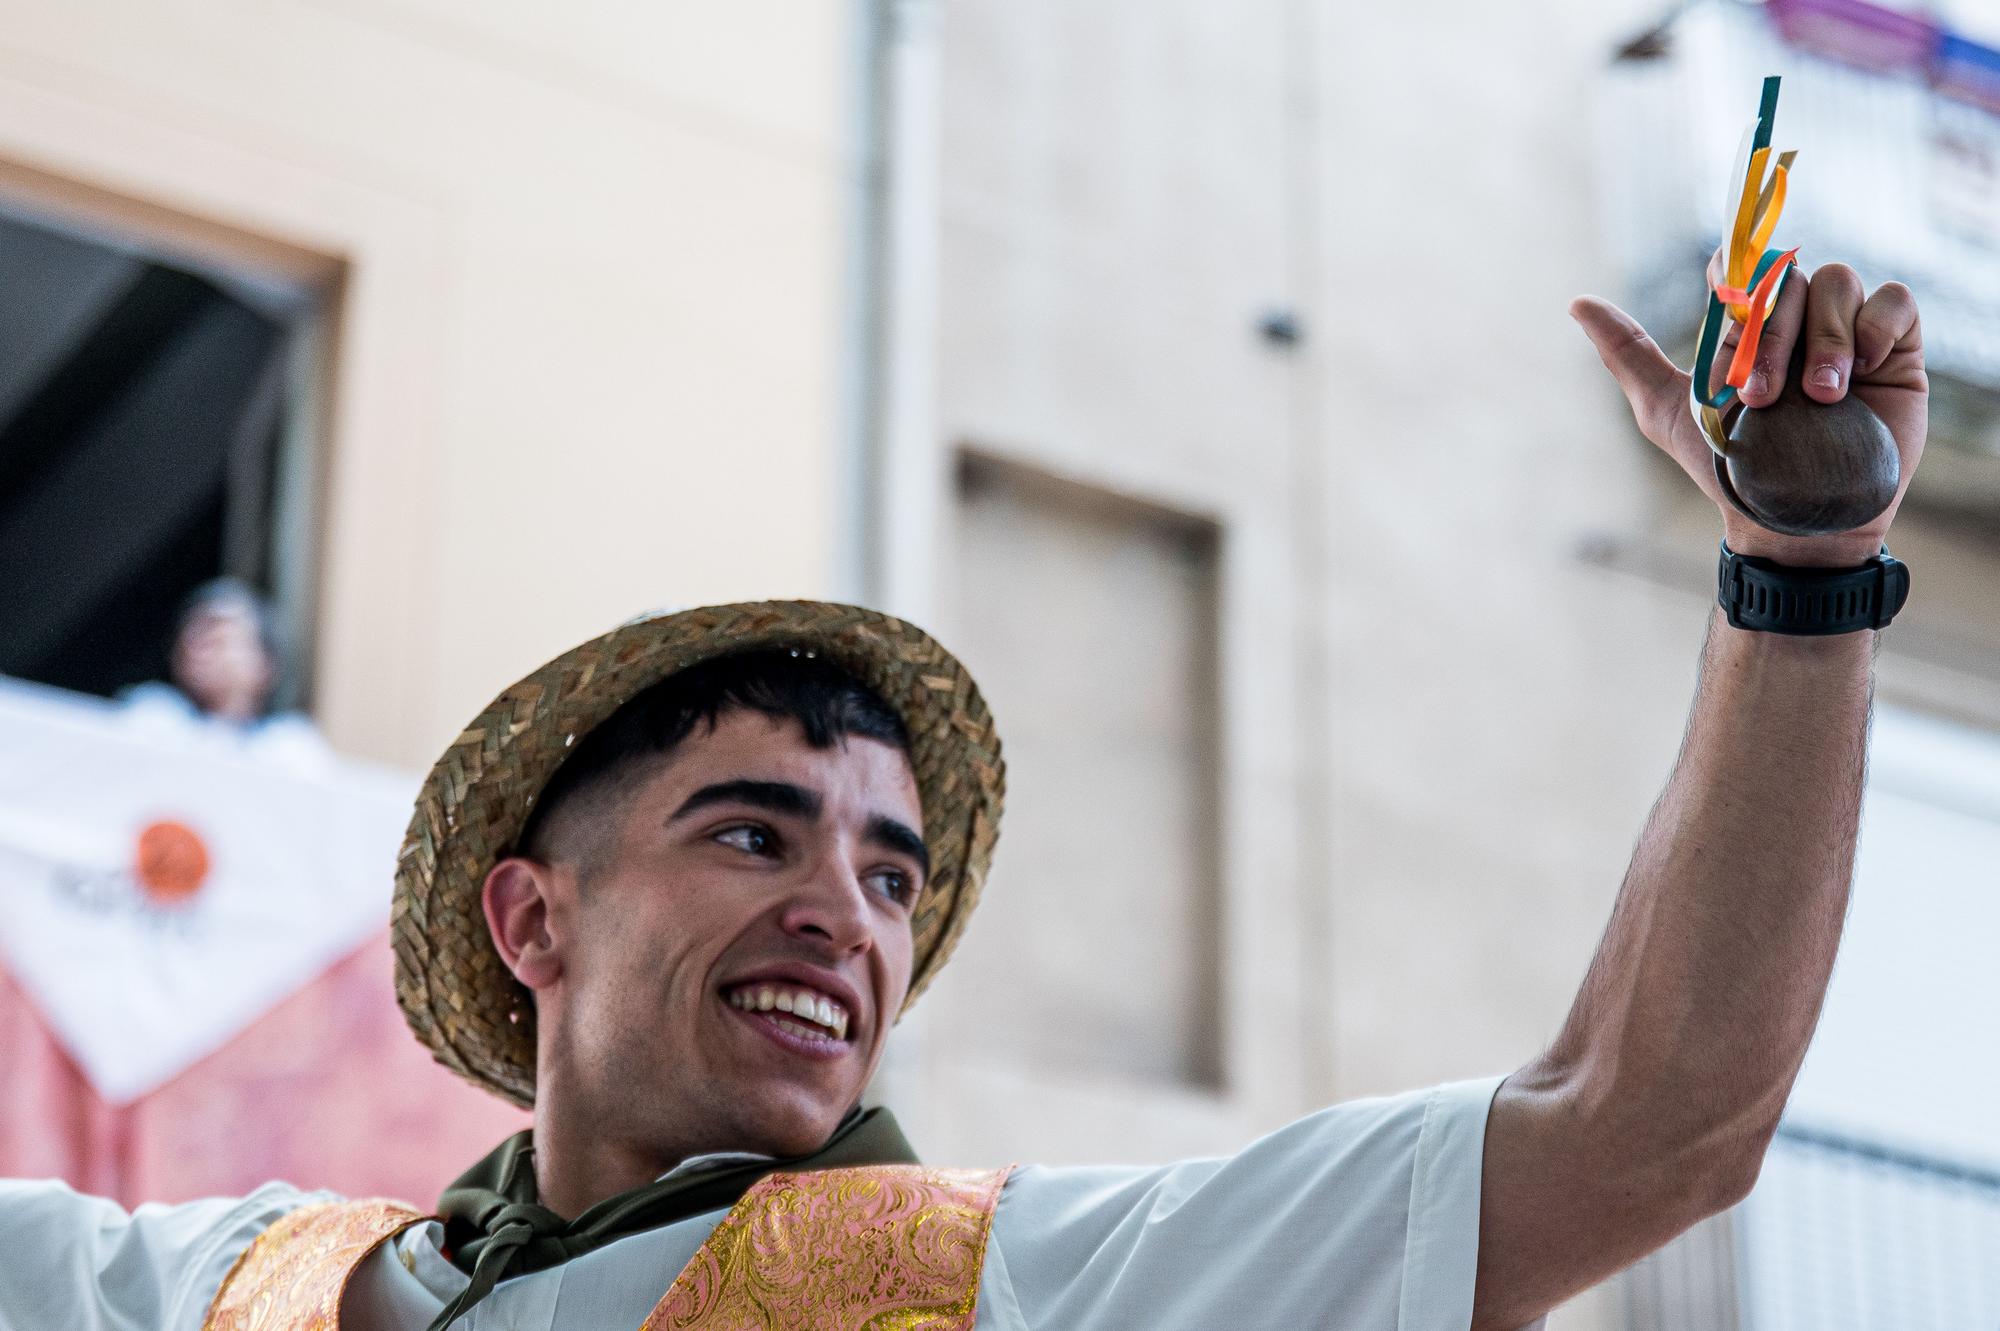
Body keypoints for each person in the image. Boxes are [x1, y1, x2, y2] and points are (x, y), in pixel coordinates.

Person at [0, 255, 1926, 1331]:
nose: (850, 910)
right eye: (751, 829)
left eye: (895, 873)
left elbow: (1649, 1122)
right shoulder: (250, 1287)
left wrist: (1804, 576)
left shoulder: (1014, 1293)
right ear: (534, 917)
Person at [120, 578, 328, 767]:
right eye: (193, 637)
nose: (198, 648)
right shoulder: (150, 720)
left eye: (219, 638)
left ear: (264, 664)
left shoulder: (290, 749)